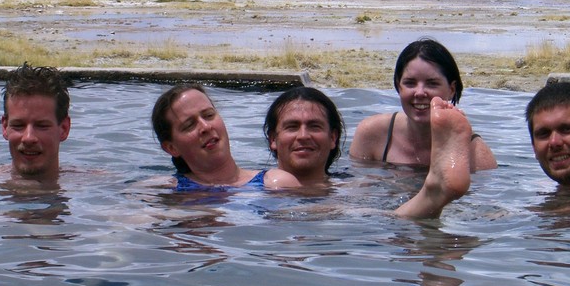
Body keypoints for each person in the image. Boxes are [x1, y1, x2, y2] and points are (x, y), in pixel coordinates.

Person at [265, 87, 472, 218]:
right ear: (273, 139)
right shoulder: (253, 182)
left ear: (333, 138)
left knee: (391, 223)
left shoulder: (356, 189)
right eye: (292, 127)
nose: (303, 135)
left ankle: (433, 194)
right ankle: (431, 194)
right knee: (387, 218)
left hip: (347, 242)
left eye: (314, 127)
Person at [349, 38, 496, 172]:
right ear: (398, 86)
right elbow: (355, 195)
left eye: (432, 84)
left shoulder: (475, 153)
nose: (419, 93)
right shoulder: (372, 133)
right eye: (410, 83)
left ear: (452, 89)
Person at [149, 83, 301, 190]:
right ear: (171, 148)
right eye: (189, 125)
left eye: (209, 115)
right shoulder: (163, 191)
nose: (206, 127)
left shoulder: (276, 184)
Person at [0, 63, 72, 185]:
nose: (28, 138)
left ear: (64, 129)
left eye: (42, 126)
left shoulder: (100, 186)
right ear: (5, 127)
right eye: (18, 125)